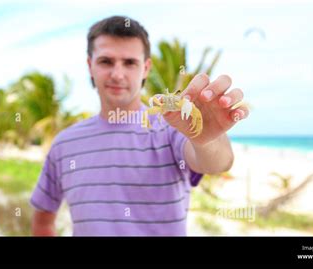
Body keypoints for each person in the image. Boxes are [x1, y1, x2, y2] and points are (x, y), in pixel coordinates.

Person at [31, 16, 249, 236]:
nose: (117, 74)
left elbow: (217, 162)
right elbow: (42, 220)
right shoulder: (64, 144)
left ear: (146, 68)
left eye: (130, 62)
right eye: (106, 61)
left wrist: (206, 138)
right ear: (90, 65)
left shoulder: (169, 128)